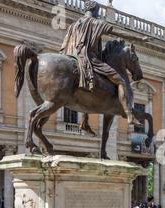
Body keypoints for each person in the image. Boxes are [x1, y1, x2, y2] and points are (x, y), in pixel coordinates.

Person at [59, 0, 142, 128]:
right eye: (98, 11)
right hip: (89, 58)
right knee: (120, 81)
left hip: (72, 57)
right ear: (95, 11)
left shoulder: (74, 25)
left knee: (84, 86)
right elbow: (117, 32)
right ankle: (129, 114)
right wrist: (137, 38)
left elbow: (64, 44)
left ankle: (84, 121)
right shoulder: (96, 22)